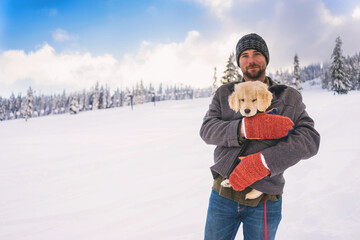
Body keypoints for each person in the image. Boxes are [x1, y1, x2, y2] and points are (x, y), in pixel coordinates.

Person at [200, 33, 320, 240]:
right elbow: (207, 130)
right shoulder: (225, 93)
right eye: (245, 55)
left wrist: (265, 162)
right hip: (223, 194)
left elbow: (309, 139)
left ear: (266, 58)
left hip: (265, 196)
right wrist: (243, 129)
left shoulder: (287, 96)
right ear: (239, 62)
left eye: (257, 53)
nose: (251, 60)